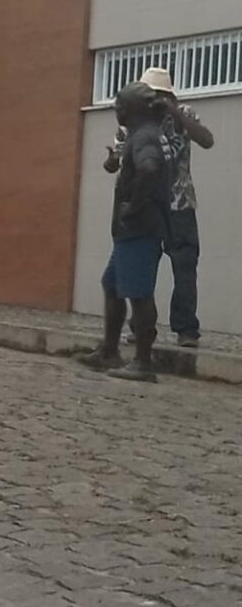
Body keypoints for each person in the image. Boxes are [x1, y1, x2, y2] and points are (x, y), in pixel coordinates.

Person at [103, 66, 214, 346]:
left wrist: (174, 113)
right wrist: (111, 162)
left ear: (169, 95)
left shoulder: (184, 114)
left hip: (180, 206)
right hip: (150, 209)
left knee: (184, 269)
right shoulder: (133, 121)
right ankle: (141, 330)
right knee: (141, 270)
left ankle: (186, 329)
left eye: (158, 95)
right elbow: (115, 160)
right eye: (149, 95)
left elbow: (207, 140)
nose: (153, 100)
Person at [87, 81, 170, 382]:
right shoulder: (138, 135)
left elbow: (150, 169)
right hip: (131, 232)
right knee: (112, 284)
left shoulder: (145, 137)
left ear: (133, 108)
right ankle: (109, 350)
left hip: (139, 229)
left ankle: (143, 362)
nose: (116, 109)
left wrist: (132, 207)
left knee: (139, 294)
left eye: (120, 104)